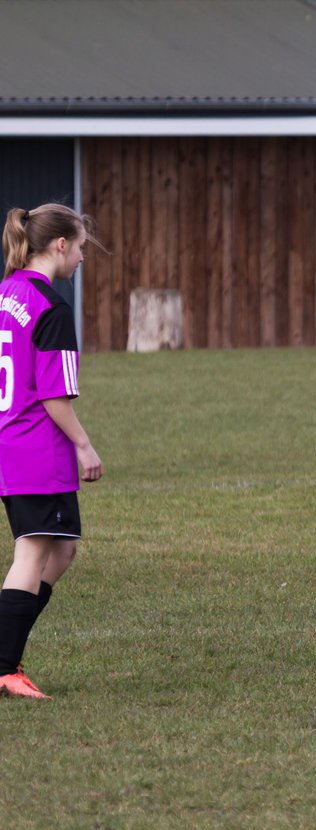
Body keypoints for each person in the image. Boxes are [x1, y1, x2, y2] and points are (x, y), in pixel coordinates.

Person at [0, 204, 104, 700]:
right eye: (81, 246)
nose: (83, 256)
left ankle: (6, 648)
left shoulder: (5, 294)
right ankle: (3, 665)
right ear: (59, 244)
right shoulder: (51, 308)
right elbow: (53, 395)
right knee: (34, 552)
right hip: (36, 450)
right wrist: (84, 446)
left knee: (61, 550)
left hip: (9, 444)